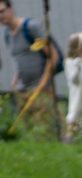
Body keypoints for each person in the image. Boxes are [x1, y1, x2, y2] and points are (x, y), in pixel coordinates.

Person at [0, 0, 60, 130]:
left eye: (2, 11)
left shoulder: (31, 27)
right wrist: (15, 82)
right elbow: (19, 58)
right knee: (29, 133)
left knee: (45, 129)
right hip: (23, 92)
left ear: (11, 9)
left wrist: (42, 85)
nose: (0, 16)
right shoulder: (7, 35)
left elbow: (53, 56)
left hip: (41, 91)